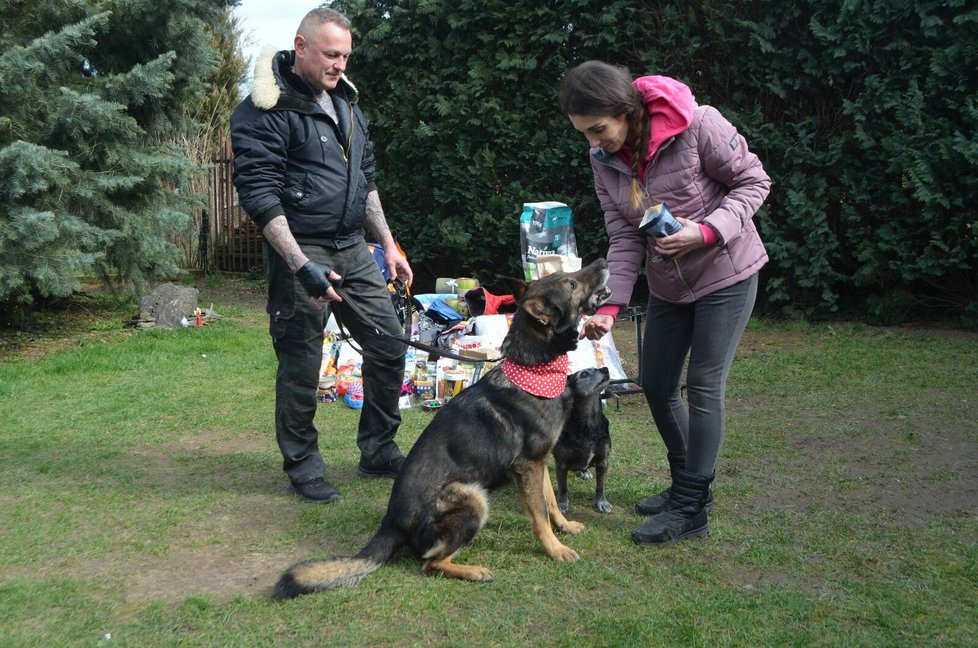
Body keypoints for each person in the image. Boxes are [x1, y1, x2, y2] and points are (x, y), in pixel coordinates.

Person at [559, 61, 771, 545]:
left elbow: (754, 181)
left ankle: (692, 507)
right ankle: (685, 487)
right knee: (656, 384)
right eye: (583, 135)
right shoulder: (605, 161)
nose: (594, 143)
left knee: (703, 384)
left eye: (599, 129)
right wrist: (609, 309)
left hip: (727, 274)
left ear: (627, 111)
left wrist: (708, 230)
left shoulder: (698, 124)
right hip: (670, 288)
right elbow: (624, 237)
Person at [230, 8, 412, 504]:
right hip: (302, 247)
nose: (340, 65)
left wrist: (389, 246)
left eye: (346, 56)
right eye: (331, 54)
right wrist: (299, 264)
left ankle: (377, 448)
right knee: (302, 362)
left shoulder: (347, 106)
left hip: (354, 247)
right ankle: (303, 465)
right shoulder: (263, 110)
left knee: (389, 345)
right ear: (301, 46)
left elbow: (366, 183)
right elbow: (260, 196)